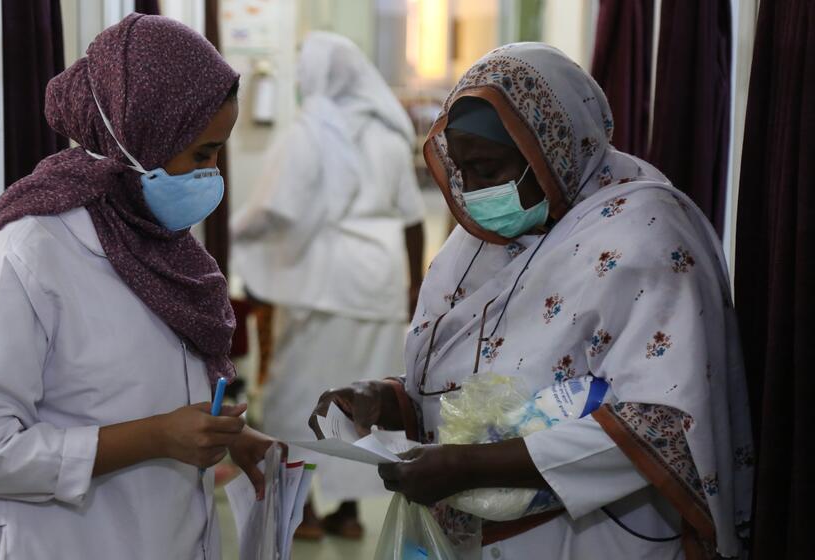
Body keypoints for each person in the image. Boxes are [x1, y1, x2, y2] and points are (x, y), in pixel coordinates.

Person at [309, 43, 753, 558]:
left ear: (553, 148)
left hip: (593, 536)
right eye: (462, 169)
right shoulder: (478, 244)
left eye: (489, 169)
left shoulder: (646, 238)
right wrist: (385, 399)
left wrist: (470, 466)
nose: (470, 191)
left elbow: (666, 426)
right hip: (475, 535)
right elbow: (471, 382)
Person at [0, 15, 278, 559]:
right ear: (143, 138)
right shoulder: (29, 256)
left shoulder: (164, 250)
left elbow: (132, 389)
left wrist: (218, 435)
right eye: (201, 155)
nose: (211, 175)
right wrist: (157, 437)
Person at [232, 31, 426, 539]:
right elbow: (411, 218)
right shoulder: (390, 130)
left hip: (324, 279)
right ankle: (350, 512)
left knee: (303, 391)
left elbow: (280, 204)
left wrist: (234, 231)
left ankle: (307, 509)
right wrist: (411, 282)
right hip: (380, 279)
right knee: (369, 397)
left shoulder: (313, 129)